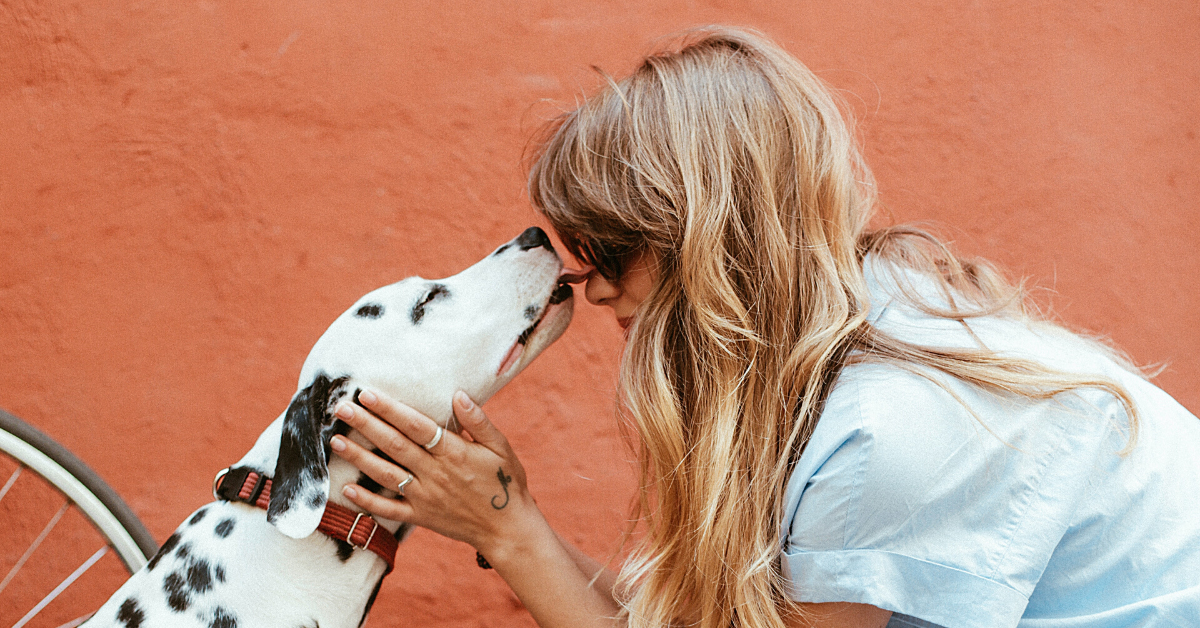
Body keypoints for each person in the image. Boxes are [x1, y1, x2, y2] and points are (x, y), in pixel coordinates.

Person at [325, 26, 1200, 628]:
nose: (586, 284)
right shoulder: (864, 322)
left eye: (612, 246)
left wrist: (508, 530)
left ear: (703, 240)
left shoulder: (886, 435)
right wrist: (504, 521)